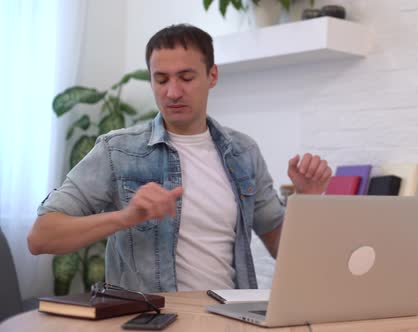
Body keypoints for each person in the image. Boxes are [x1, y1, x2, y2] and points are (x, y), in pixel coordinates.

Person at [27, 24, 332, 292]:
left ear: (212, 75)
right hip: (151, 320)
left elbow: (284, 250)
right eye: (161, 80)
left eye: (186, 77)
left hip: (230, 317)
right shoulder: (116, 150)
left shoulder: (244, 152)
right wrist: (126, 217)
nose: (173, 92)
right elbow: (41, 237)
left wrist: (307, 198)